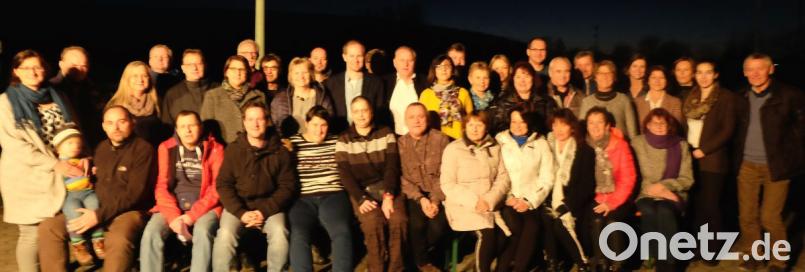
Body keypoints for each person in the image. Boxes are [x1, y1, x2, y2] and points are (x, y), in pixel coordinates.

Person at [39, 106, 156, 272]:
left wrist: (98, 216)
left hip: (127, 211)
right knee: (49, 227)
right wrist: (86, 162)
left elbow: (134, 194)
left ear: (132, 122)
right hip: (93, 206)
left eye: (121, 122)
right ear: (103, 126)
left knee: (118, 239)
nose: (115, 128)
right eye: (110, 123)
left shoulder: (143, 150)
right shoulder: (101, 149)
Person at [0, 49, 78, 272]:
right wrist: (54, 164)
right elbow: (16, 146)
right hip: (27, 176)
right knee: (30, 234)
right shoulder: (6, 102)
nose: (33, 72)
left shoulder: (55, 94)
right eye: (27, 68)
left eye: (38, 67)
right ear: (16, 71)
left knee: (52, 230)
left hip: (60, 172)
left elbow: (73, 128)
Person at [734, 53, 805, 272]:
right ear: (744, 72)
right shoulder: (741, 97)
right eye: (750, 69)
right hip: (746, 164)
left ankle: (778, 261)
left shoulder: (790, 95)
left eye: (760, 68)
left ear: (770, 69)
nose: (755, 74)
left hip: (776, 165)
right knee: (747, 215)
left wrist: (793, 156)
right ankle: (754, 255)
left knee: (770, 216)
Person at [213, 102, 294, 272]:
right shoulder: (234, 150)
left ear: (267, 121)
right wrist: (241, 213)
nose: (255, 124)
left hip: (269, 206)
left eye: (259, 119)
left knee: (280, 233)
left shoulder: (280, 151)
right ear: (244, 122)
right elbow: (223, 184)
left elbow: (287, 187)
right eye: (250, 119)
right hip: (239, 207)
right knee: (225, 235)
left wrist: (263, 211)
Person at [140, 111, 224, 272]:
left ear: (200, 127)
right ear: (177, 130)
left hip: (205, 206)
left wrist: (191, 216)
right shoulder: (166, 147)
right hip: (173, 206)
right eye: (183, 126)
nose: (188, 130)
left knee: (203, 231)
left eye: (192, 125)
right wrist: (174, 217)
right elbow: (161, 186)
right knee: (151, 232)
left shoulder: (215, 148)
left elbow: (217, 188)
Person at [335, 96, 405, 272]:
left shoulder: (386, 132)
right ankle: (377, 267)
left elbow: (392, 167)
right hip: (362, 192)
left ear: (371, 112)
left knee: (398, 220)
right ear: (351, 114)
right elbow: (345, 175)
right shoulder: (343, 140)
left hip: (387, 187)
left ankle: (395, 268)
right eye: (356, 111)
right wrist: (360, 199)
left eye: (364, 110)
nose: (361, 115)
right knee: (373, 222)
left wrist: (389, 195)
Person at [683, 60, 739, 265]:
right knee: (698, 205)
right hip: (692, 158)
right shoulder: (692, 96)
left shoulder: (725, 97)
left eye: (708, 73)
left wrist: (703, 150)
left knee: (712, 206)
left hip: (713, 160)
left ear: (715, 75)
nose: (703, 76)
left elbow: (727, 130)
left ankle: (713, 250)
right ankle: (699, 246)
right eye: (699, 72)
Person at [440, 110, 510, 272]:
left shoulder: (495, 147)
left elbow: (503, 178)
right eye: (471, 125)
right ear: (464, 127)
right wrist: (474, 201)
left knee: (507, 234)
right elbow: (447, 183)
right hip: (463, 205)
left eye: (479, 124)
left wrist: (490, 200)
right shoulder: (453, 149)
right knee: (487, 234)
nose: (475, 129)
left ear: (486, 127)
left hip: (490, 203)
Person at [288, 106, 354, 272]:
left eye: (323, 125)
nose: (319, 130)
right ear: (307, 123)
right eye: (315, 124)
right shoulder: (293, 143)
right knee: (298, 233)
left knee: (341, 230)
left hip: (332, 194)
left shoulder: (336, 141)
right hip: (302, 198)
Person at [632, 108, 694, 272]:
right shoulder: (638, 143)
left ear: (669, 126)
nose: (658, 126)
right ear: (647, 125)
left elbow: (688, 179)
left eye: (662, 123)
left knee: (665, 210)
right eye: (654, 122)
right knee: (649, 209)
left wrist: (665, 187)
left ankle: (668, 263)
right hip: (646, 192)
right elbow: (632, 174)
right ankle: (651, 253)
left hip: (673, 194)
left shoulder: (681, 145)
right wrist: (655, 190)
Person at [494, 107, 554, 272]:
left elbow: (547, 178)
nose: (518, 125)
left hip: (530, 200)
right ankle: (502, 268)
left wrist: (529, 200)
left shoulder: (541, 144)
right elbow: (494, 173)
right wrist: (508, 196)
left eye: (522, 121)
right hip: (506, 198)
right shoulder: (500, 141)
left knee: (533, 226)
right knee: (514, 226)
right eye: (514, 121)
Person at [399, 103, 452, 271]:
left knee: (438, 226)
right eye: (411, 117)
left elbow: (445, 173)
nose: (416, 121)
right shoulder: (400, 144)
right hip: (414, 195)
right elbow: (401, 178)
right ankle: (424, 263)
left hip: (438, 193)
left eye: (420, 116)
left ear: (427, 119)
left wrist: (435, 201)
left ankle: (416, 258)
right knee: (416, 224)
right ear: (405, 121)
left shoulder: (441, 139)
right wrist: (421, 199)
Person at [584, 107, 637, 271]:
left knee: (613, 221)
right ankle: (601, 263)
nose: (595, 126)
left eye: (600, 122)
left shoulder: (619, 145)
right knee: (597, 220)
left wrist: (612, 202)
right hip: (595, 197)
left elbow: (629, 178)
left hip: (620, 197)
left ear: (608, 125)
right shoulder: (585, 146)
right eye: (591, 123)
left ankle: (617, 264)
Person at [543, 109, 595, 271]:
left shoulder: (583, 150)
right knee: (545, 218)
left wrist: (567, 205)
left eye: (563, 125)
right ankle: (552, 262)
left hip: (573, 201)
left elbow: (586, 185)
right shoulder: (546, 147)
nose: (558, 129)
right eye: (555, 125)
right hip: (548, 198)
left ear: (572, 127)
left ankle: (582, 263)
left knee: (560, 223)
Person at [54, 128, 105, 266]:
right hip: (71, 195)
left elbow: (92, 174)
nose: (75, 146)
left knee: (95, 206)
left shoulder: (85, 160)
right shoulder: (59, 164)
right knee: (73, 214)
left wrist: (94, 171)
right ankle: (79, 246)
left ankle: (98, 241)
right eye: (70, 143)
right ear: (58, 148)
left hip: (88, 192)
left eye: (78, 143)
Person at [200, 55, 266, 144]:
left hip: (253, 151)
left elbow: (267, 125)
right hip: (224, 151)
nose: (238, 73)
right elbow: (206, 129)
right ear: (226, 72)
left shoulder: (259, 96)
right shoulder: (213, 96)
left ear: (247, 72)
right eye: (233, 69)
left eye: (242, 69)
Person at [50, 46, 105, 149]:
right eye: (74, 65)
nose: (79, 69)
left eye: (83, 66)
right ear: (61, 64)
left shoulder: (93, 89)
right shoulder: (51, 90)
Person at [324, 40, 385, 133]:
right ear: (344, 57)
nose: (356, 60)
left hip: (369, 136)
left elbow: (379, 112)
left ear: (364, 57)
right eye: (352, 56)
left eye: (359, 56)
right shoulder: (331, 83)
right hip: (339, 136)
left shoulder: (376, 82)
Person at [106, 61, 169, 146]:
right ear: (127, 79)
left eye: (144, 76)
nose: (140, 79)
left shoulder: (158, 102)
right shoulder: (115, 106)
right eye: (135, 76)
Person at [270, 57, 334, 138]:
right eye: (296, 73)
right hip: (290, 146)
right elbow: (276, 127)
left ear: (311, 74)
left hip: (317, 144)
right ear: (291, 76)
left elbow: (329, 121)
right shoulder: (280, 99)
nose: (301, 76)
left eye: (305, 72)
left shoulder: (322, 96)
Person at [488, 62, 556, 135]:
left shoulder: (546, 101)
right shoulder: (502, 102)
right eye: (518, 77)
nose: (522, 81)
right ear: (513, 79)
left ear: (533, 78)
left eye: (526, 77)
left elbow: (551, 128)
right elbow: (497, 128)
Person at [578, 60, 638, 140]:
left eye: (608, 73)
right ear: (595, 77)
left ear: (614, 77)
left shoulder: (624, 100)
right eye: (601, 73)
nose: (605, 77)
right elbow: (582, 132)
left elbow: (632, 132)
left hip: (621, 149)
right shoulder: (587, 102)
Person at [418, 55, 474, 140]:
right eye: (439, 67)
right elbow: (421, 120)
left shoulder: (463, 93)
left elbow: (471, 120)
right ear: (434, 71)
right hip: (434, 140)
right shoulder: (426, 94)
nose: (443, 69)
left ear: (452, 70)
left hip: (459, 140)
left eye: (447, 66)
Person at [161, 49, 218, 126]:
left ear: (205, 65)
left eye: (199, 64)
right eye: (190, 65)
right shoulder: (173, 94)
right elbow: (167, 124)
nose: (195, 68)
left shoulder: (218, 89)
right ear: (183, 68)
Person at [383, 46, 429, 135]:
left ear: (414, 62)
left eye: (410, 60)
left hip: (419, 138)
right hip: (392, 138)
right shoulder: (384, 83)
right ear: (394, 63)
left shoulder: (425, 82)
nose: (406, 64)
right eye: (402, 60)